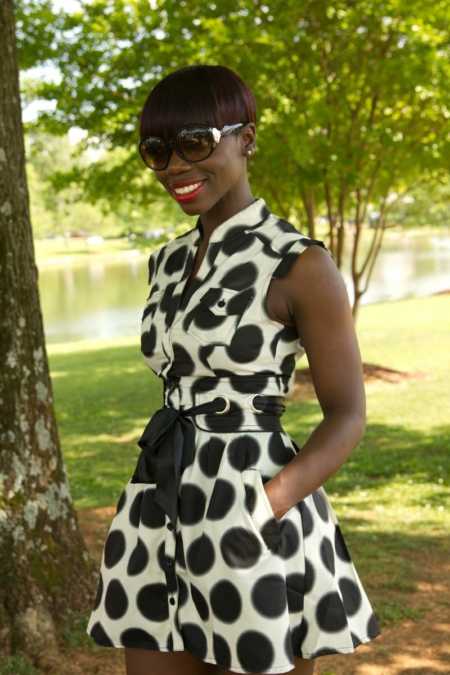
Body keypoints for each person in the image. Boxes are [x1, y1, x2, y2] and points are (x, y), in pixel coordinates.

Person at [86, 64, 381, 675]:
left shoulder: (298, 263)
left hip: (251, 508)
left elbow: (348, 415)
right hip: (157, 500)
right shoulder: (164, 261)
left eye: (196, 143)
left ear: (245, 136)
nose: (175, 166)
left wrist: (267, 504)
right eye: (157, 150)